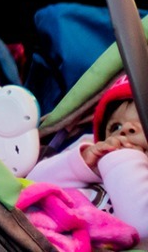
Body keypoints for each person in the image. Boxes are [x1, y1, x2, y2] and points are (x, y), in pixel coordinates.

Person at [27, 75, 148, 237]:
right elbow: (32, 185)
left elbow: (143, 228)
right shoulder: (90, 149)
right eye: (115, 126)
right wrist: (81, 164)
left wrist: (124, 160)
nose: (125, 130)